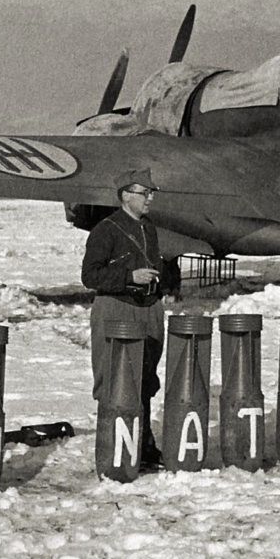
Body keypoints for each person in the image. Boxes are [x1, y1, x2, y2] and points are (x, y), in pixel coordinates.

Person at [82, 168, 175, 467]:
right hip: (115, 308)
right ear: (125, 195)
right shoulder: (105, 230)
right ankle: (113, 448)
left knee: (145, 379)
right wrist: (128, 276)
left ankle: (143, 447)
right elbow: (89, 275)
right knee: (113, 379)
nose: (150, 198)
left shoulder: (149, 229)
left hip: (148, 309)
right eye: (144, 193)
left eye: (151, 193)